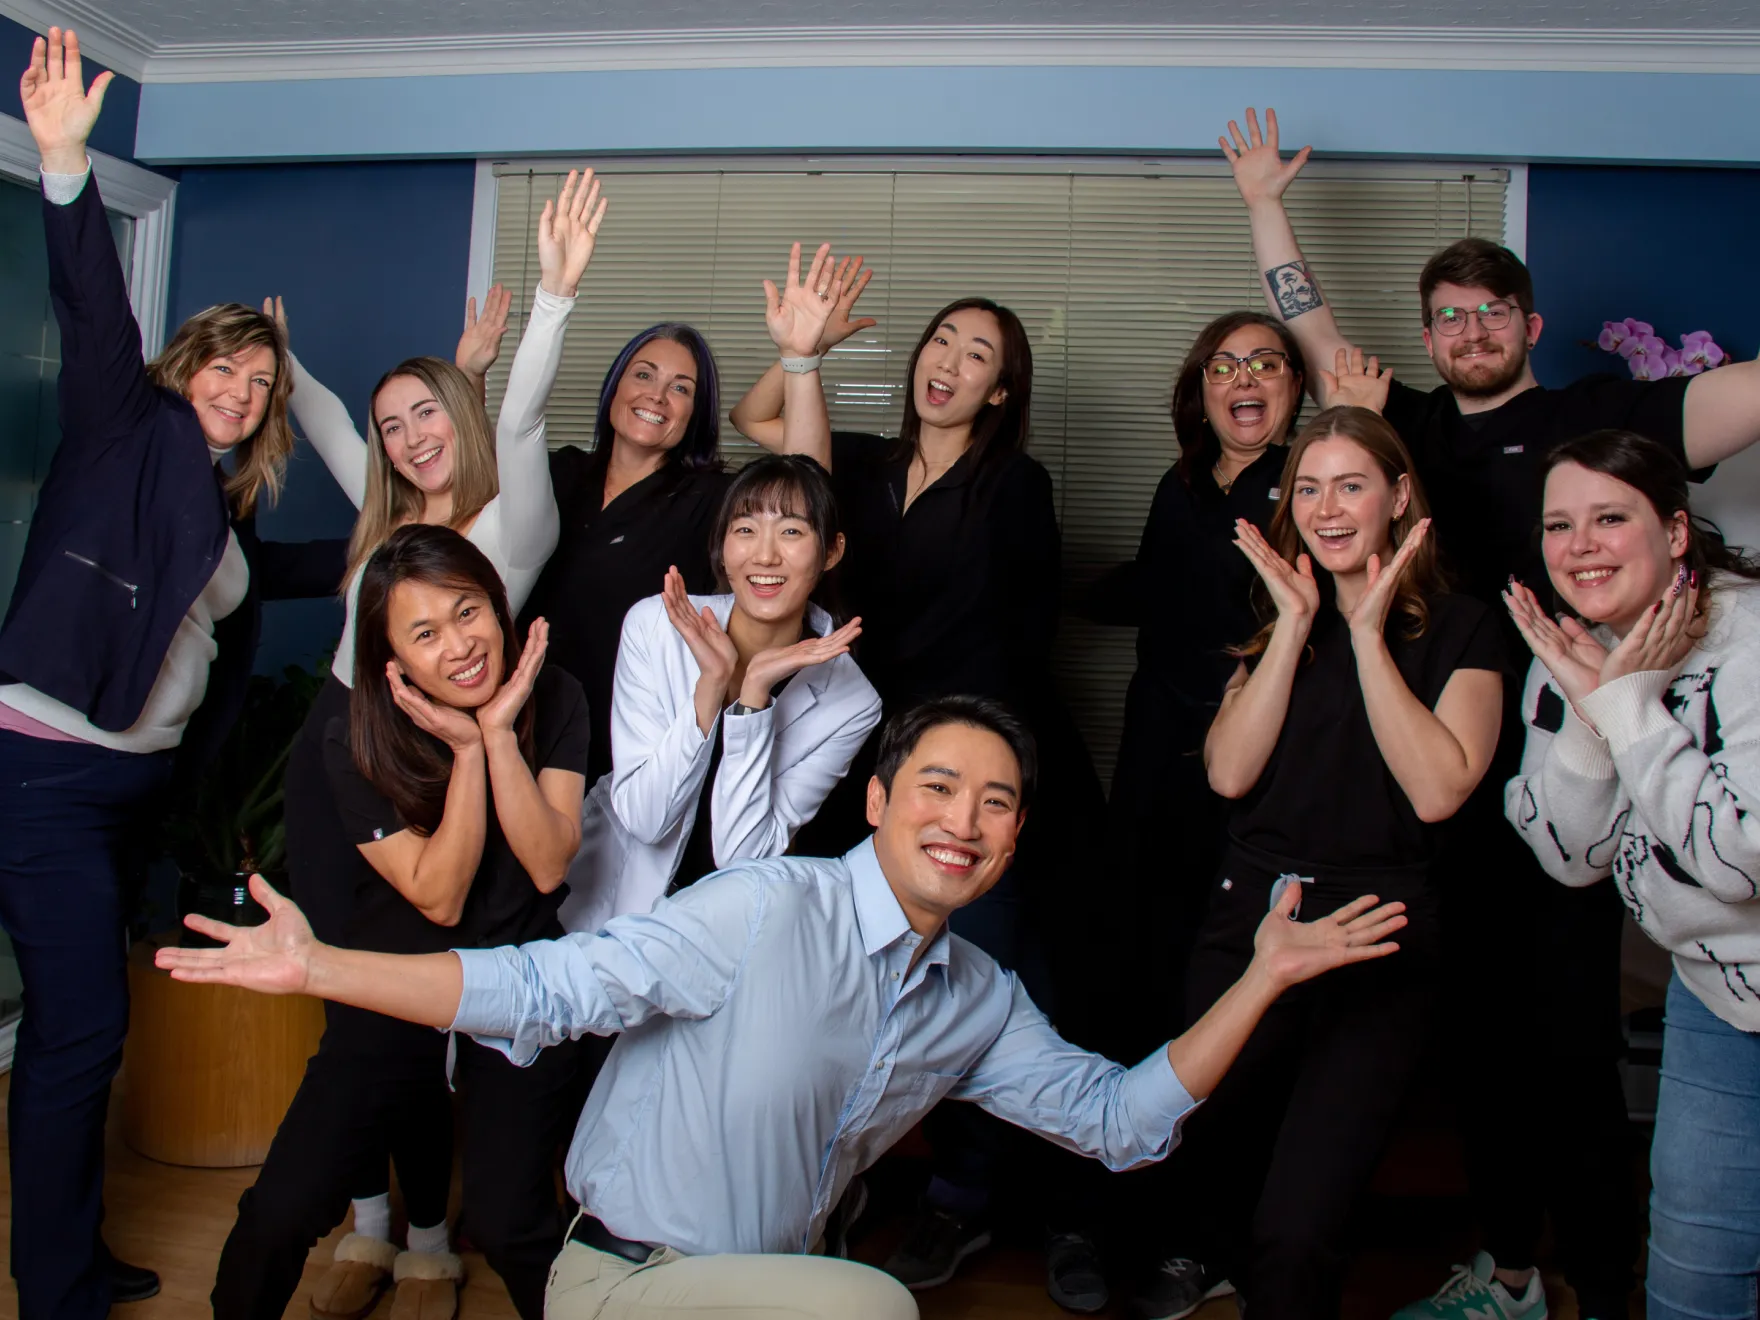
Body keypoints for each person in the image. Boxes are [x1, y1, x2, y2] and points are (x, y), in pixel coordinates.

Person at [157, 694, 1415, 1320]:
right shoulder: (762, 908)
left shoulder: (973, 998)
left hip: (767, 1294)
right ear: (875, 802)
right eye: (935, 786)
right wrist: (317, 967)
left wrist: (1262, 974)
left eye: (994, 803)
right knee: (873, 1304)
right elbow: (541, 985)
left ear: (1017, 836)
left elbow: (1120, 1119)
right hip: (628, 1280)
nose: (960, 821)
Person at [1219, 105, 1760, 1320]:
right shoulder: (1401, 427)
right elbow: (1310, 334)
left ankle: (1613, 1284)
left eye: (1490, 313)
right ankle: (1510, 1273)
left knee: (1568, 1056)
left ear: (1526, 325)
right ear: (1430, 335)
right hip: (1444, 792)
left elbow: (1737, 400)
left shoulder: (1594, 422)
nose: (1469, 331)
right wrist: (1263, 202)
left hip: (1591, 770)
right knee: (1476, 1062)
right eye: (1448, 317)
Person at [0, 31, 343, 1317]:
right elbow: (92, 300)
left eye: (261, 385)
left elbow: (296, 570)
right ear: (183, 366)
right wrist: (63, 164)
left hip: (127, 791)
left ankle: (70, 1259)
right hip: (40, 771)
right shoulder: (123, 423)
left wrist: (410, 534)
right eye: (228, 368)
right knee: (81, 1034)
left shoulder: (219, 509)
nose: (242, 392)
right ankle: (58, 1286)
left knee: (83, 1035)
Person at [731, 247, 1116, 1305]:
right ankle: (952, 1200)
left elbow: (1018, 642)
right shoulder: (854, 465)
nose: (947, 361)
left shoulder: (1014, 485)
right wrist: (798, 352)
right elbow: (764, 425)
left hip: (979, 768)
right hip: (872, 767)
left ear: (1001, 388)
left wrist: (977, 783)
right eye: (940, 339)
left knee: (1011, 993)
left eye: (976, 352)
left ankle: (1070, 1213)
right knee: (888, 990)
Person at [267, 173, 597, 1312]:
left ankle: (423, 1233)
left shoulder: (510, 517)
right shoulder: (389, 516)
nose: (409, 438)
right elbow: (319, 421)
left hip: (442, 763)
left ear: (460, 411)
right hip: (339, 751)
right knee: (346, 1000)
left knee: (407, 1001)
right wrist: (283, 361)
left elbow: (515, 420)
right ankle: (370, 1227)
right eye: (392, 422)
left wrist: (553, 297)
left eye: (427, 415)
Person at [1145, 406, 1501, 1320]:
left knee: (1302, 1223)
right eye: (1309, 487)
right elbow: (1228, 772)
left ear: (1399, 497)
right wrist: (1303, 625)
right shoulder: (1276, 623)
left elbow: (1437, 791)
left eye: (1351, 485)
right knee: (1218, 1161)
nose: (1328, 507)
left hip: (1376, 936)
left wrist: (1370, 633)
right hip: (1250, 924)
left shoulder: (1463, 629)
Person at [210, 526, 593, 1320]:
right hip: (395, 975)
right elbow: (439, 895)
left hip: (517, 977)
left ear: (497, 603)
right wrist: (465, 759)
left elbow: (550, 862)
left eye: (469, 611)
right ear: (392, 660)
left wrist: (495, 735)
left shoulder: (555, 693)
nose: (460, 645)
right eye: (426, 633)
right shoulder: (352, 734)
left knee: (513, 1222)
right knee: (281, 1212)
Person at [1502, 431, 1760, 1320]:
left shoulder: (1749, 637)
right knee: (1692, 1279)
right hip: (1717, 997)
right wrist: (1586, 714)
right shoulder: (1569, 648)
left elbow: (1736, 859)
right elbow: (1569, 857)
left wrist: (1623, 705)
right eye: (1559, 524)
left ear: (1677, 531)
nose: (1580, 547)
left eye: (1610, 518)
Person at [1086, 311, 1308, 1016]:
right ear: (1203, 392)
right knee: (1137, 912)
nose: (1244, 378)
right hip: (1158, 729)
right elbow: (1157, 586)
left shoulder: (1312, 483)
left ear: (1296, 387)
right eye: (1224, 367)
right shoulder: (1177, 483)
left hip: (1258, 738)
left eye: (1265, 363)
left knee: (1230, 922)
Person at [559, 453, 880, 933]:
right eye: (745, 530)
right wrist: (710, 689)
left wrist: (753, 700)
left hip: (724, 933)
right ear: (723, 546)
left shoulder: (851, 702)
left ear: (831, 552)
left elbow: (741, 857)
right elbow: (645, 821)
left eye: (791, 532)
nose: (764, 555)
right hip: (610, 914)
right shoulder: (655, 627)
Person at [520, 319, 731, 789]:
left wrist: (799, 359)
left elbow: (803, 496)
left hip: (622, 750)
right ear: (615, 383)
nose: (656, 396)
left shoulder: (708, 500)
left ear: (696, 413)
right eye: (643, 374)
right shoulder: (557, 472)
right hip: (519, 723)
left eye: (680, 387)